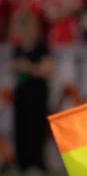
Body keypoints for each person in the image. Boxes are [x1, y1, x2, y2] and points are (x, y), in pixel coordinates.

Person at [10, 9, 54, 175]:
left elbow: (47, 69)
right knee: (21, 127)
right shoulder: (18, 47)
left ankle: (37, 161)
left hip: (37, 93)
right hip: (22, 93)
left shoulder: (41, 46)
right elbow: (13, 67)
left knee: (36, 128)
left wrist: (28, 67)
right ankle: (21, 162)